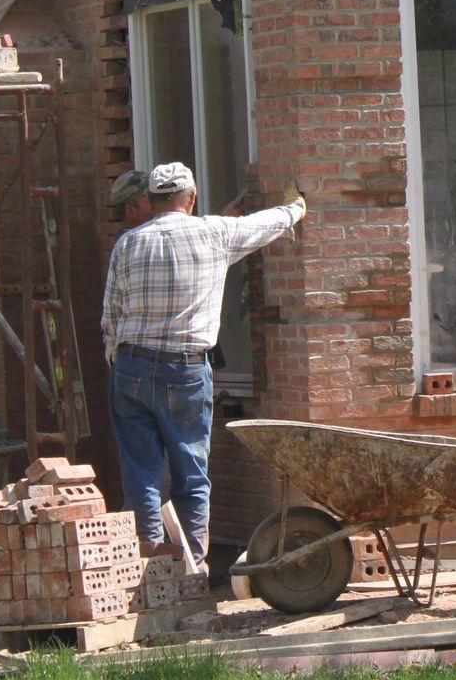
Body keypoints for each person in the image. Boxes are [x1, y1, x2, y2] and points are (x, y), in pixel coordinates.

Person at [100, 161, 306, 557]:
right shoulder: (214, 234)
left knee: (141, 472)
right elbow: (264, 226)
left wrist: (120, 361)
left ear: (152, 200)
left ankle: (150, 565)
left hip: (132, 367)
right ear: (191, 199)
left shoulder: (127, 243)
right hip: (186, 368)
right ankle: (193, 563)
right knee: (191, 473)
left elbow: (111, 316)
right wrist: (296, 207)